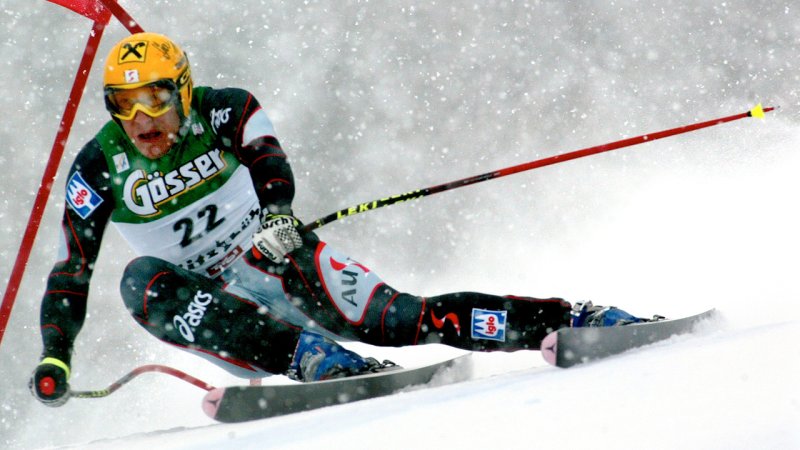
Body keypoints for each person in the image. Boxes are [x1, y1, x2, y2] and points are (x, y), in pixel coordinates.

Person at [30, 32, 648, 407]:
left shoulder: (224, 110)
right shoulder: (96, 167)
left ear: (183, 91)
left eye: (155, 99)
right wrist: (55, 355)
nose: (142, 120)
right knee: (138, 279)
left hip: (274, 254)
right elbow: (71, 268)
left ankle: (569, 319)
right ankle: (311, 360)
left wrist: (276, 215)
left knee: (402, 319)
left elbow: (267, 157)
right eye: (123, 105)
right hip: (211, 305)